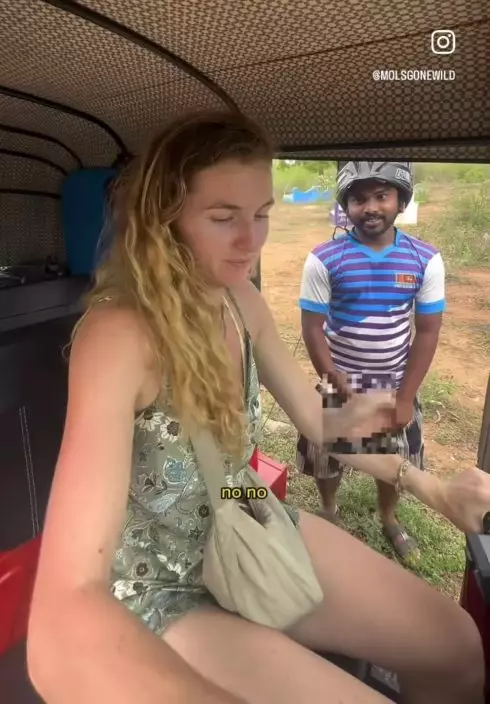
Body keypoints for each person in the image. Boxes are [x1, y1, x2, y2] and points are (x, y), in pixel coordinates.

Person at [27, 114, 484, 704]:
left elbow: (319, 416)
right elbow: (63, 611)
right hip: (159, 586)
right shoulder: (118, 335)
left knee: (454, 645)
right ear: (165, 218)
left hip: (239, 506)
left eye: (262, 214)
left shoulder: (239, 299)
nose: (253, 240)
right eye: (224, 218)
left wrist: (432, 487)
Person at [298, 161, 445, 561]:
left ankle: (388, 517)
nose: (371, 207)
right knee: (327, 461)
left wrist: (405, 397)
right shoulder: (323, 259)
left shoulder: (425, 259)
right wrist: (333, 379)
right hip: (339, 383)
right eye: (359, 199)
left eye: (382, 196)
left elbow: (427, 333)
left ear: (401, 201)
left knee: (393, 461)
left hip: (394, 386)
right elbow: (312, 329)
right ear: (346, 205)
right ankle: (329, 510)